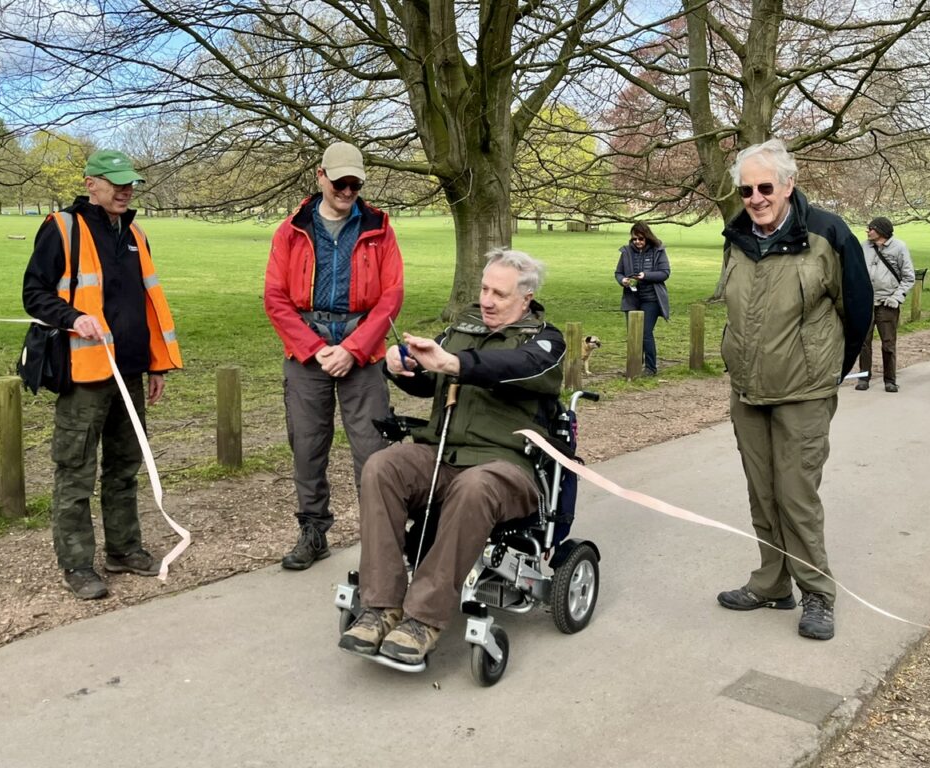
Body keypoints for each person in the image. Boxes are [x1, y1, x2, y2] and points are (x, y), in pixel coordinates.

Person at [338, 249, 565, 665]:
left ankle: (423, 618)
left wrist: (456, 363)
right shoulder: (459, 330)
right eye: (484, 288)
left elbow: (522, 366)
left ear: (526, 299)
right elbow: (427, 383)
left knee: (473, 486)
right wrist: (399, 367)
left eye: (499, 293)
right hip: (442, 453)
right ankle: (381, 605)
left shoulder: (545, 340)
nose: (487, 300)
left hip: (506, 466)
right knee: (382, 467)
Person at [714, 138, 873, 641]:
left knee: (796, 494)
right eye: (746, 189)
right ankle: (771, 584)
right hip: (748, 390)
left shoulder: (827, 232)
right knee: (762, 493)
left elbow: (859, 311)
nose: (756, 198)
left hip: (804, 392)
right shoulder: (736, 236)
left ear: (788, 184)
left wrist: (828, 373)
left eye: (765, 187)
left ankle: (818, 594)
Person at [22, 149, 182, 600]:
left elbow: (145, 304)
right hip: (84, 374)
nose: (125, 190)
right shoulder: (61, 228)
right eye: (116, 182)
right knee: (75, 470)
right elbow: (33, 294)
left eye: (129, 182)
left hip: (130, 371)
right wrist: (72, 317)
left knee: (124, 466)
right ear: (92, 182)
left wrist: (156, 364)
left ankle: (124, 549)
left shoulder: (136, 233)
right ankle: (76, 564)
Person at [264, 142, 403, 571]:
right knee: (307, 445)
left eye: (354, 183)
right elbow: (274, 297)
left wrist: (355, 349)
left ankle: (381, 543)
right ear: (320, 176)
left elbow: (391, 296)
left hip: (362, 350)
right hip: (308, 352)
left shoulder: (379, 226)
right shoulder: (291, 229)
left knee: (373, 451)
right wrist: (315, 348)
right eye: (339, 181)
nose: (347, 190)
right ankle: (313, 531)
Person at [856, 217, 915, 393]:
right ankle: (863, 377)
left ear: (881, 231)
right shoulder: (863, 246)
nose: (867, 231)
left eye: (871, 228)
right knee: (863, 343)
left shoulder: (899, 247)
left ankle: (890, 380)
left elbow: (908, 277)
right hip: (866, 302)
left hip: (887, 303)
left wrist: (896, 297)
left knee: (888, 343)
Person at [614, 221, 671, 375]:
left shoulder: (658, 250)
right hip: (631, 298)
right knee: (633, 334)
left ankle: (651, 368)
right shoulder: (626, 252)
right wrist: (623, 280)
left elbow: (665, 273)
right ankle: (634, 368)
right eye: (634, 239)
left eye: (641, 239)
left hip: (651, 298)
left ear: (647, 238)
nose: (637, 242)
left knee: (645, 333)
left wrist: (646, 276)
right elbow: (618, 273)